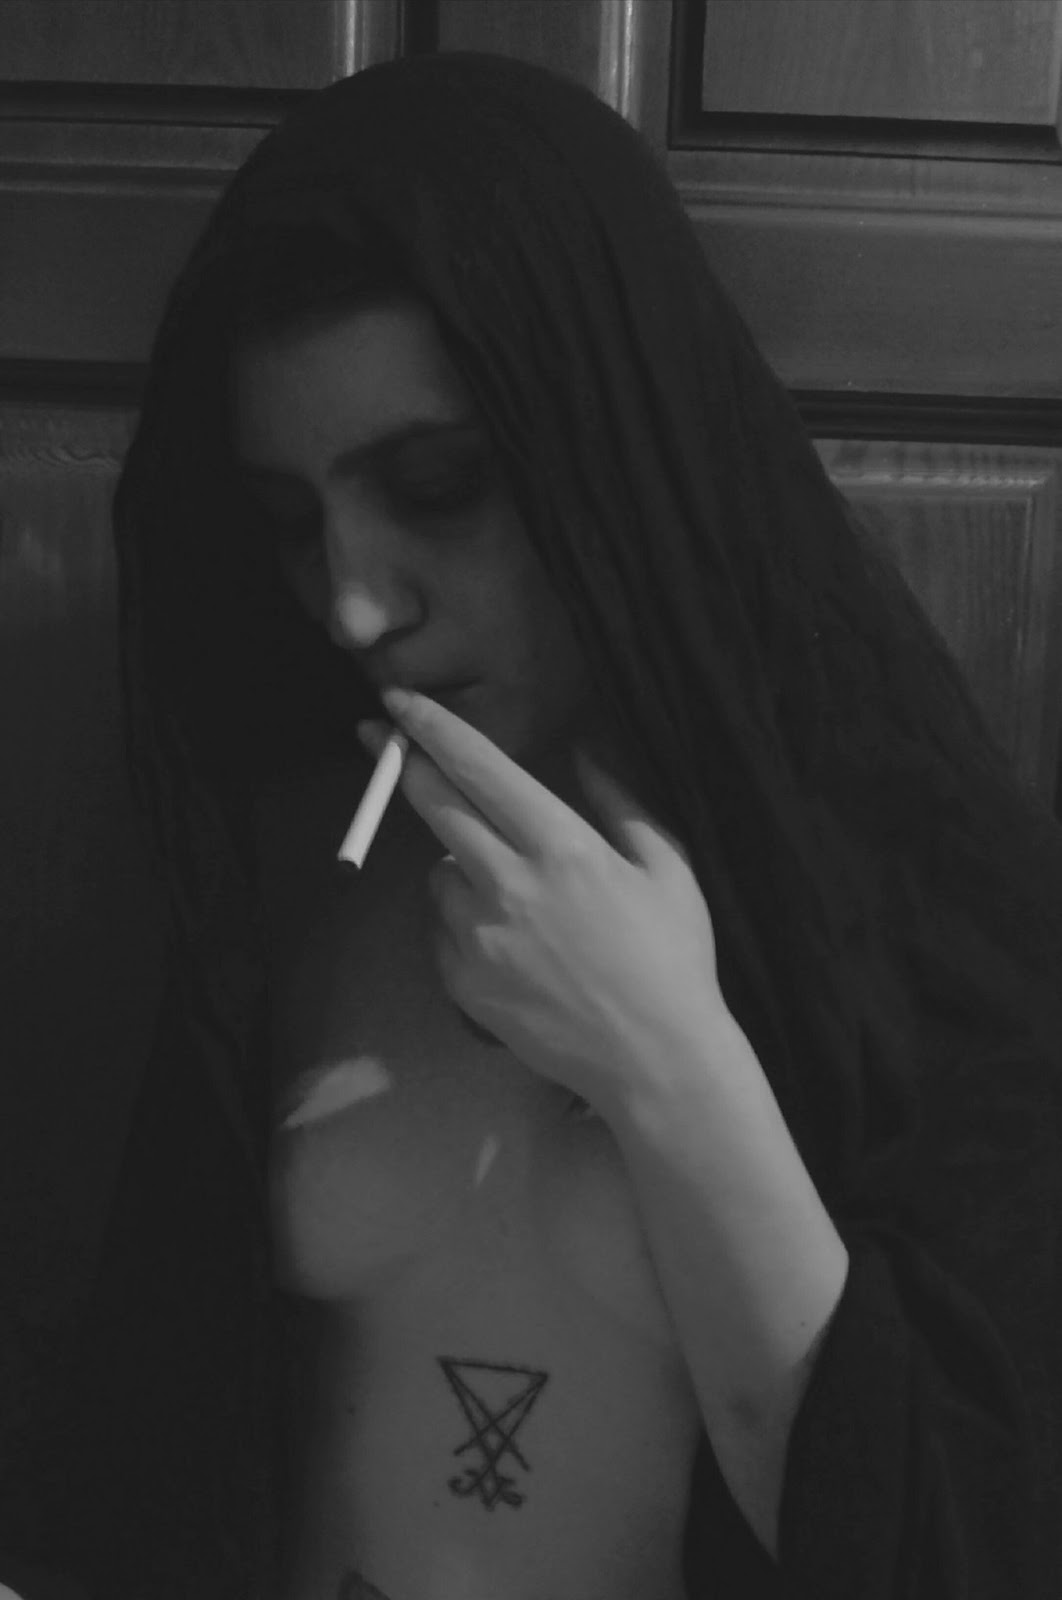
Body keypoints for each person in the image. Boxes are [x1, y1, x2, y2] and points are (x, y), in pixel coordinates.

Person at [1, 48, 1060, 1600]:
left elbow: (954, 1541)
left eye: (438, 485)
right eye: (291, 521)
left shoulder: (891, 881)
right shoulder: (278, 850)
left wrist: (662, 1055)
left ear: (612, 457)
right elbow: (155, 1430)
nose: (353, 605)